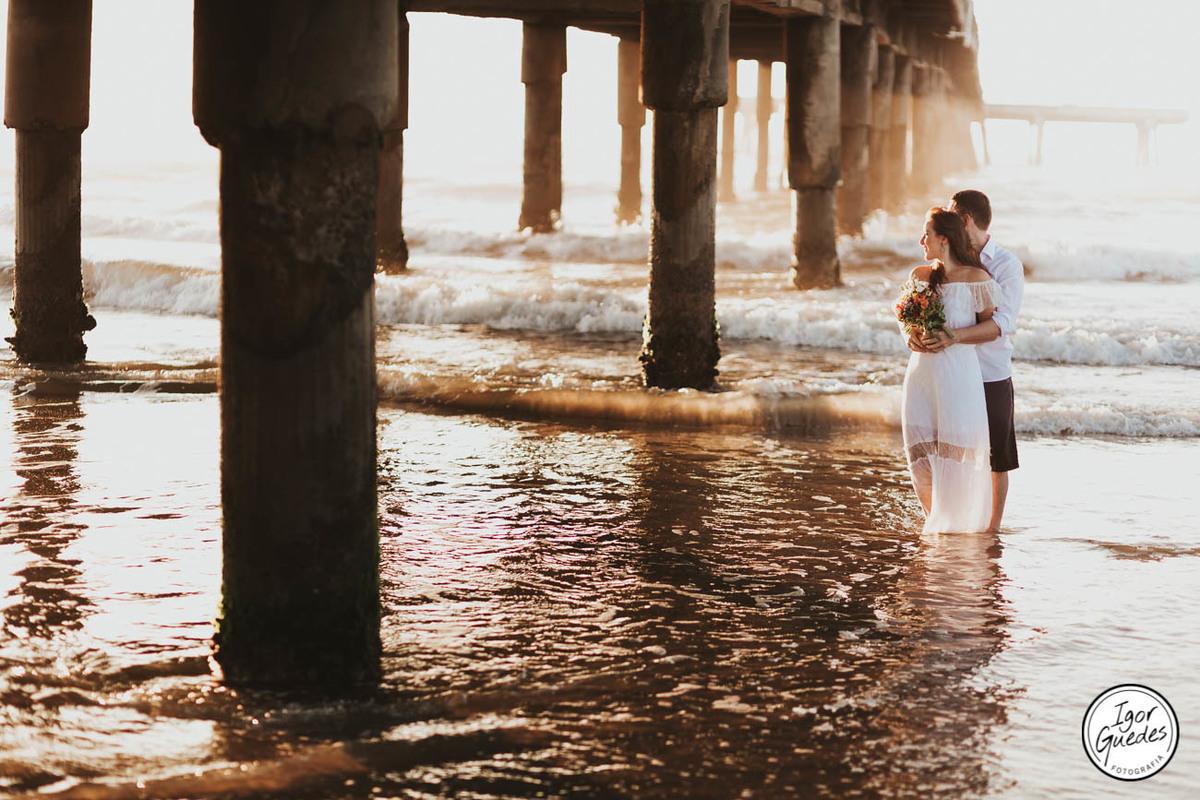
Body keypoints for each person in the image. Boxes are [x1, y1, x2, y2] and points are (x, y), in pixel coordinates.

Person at [912, 190, 1024, 532]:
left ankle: (991, 530)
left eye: (950, 214)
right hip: (946, 374)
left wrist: (955, 337)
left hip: (989, 372)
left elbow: (1003, 323)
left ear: (964, 220)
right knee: (944, 448)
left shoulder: (1006, 265)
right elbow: (918, 310)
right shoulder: (940, 264)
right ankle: (946, 521)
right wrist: (912, 334)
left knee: (996, 458)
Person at [902, 208, 1000, 533]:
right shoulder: (920, 276)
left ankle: (958, 527)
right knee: (921, 451)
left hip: (958, 374)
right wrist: (909, 334)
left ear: (943, 240)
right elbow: (904, 316)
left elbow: (994, 327)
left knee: (955, 452)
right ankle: (935, 524)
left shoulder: (978, 279)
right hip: (922, 375)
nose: (921, 241)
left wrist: (955, 336)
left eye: (926, 235)